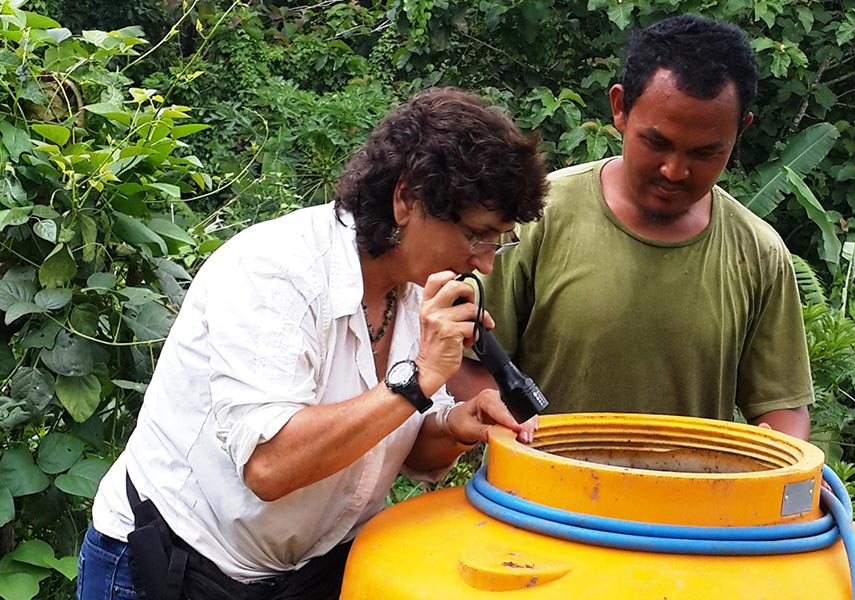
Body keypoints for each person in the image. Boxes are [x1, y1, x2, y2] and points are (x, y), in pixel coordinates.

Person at [78, 88, 547, 599]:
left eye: (498, 241)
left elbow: (404, 445)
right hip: (166, 566)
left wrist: (453, 425)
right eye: (477, 236)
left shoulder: (415, 288)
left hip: (305, 574)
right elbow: (271, 466)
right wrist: (421, 377)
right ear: (407, 198)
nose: (484, 262)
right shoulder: (275, 272)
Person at [449, 15, 815, 439]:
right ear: (620, 108)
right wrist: (513, 428)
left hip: (690, 501)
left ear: (740, 131)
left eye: (705, 152)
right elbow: (465, 366)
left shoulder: (759, 254)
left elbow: (782, 410)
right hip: (538, 500)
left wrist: (780, 470)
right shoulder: (537, 218)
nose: (675, 171)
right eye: (657, 142)